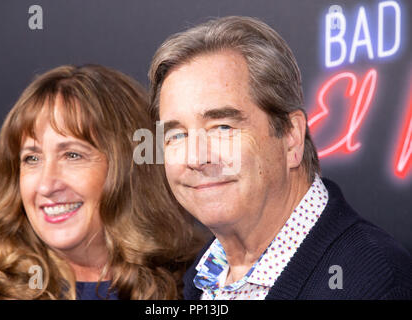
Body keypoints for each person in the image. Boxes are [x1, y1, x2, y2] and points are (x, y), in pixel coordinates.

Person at [148, 16, 412, 299]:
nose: (196, 158)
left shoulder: (376, 284)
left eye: (222, 127)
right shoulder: (199, 279)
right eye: (176, 135)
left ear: (291, 136)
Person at [0, 64, 201, 299]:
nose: (46, 186)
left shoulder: (203, 283)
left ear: (131, 167)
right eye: (32, 158)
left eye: (72, 155)